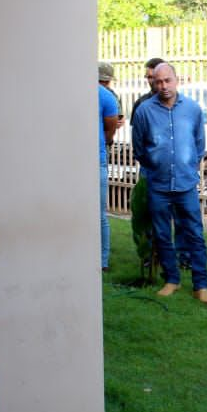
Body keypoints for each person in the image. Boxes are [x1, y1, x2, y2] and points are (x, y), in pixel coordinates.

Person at [130, 62, 207, 303]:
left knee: (195, 234)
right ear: (153, 83)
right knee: (162, 234)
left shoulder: (192, 109)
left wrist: (187, 166)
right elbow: (139, 149)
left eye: (167, 80)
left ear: (177, 80)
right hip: (158, 185)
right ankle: (172, 280)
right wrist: (156, 167)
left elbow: (199, 144)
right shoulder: (144, 111)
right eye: (158, 82)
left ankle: (201, 285)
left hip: (186, 185)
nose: (163, 86)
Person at [98, 62, 120, 270]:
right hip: (97, 159)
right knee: (99, 214)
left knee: (98, 214)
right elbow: (111, 128)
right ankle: (102, 261)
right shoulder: (107, 96)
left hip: (96, 159)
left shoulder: (106, 97)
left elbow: (111, 126)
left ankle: (102, 261)